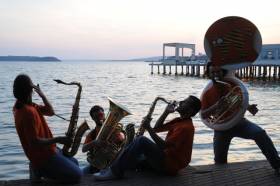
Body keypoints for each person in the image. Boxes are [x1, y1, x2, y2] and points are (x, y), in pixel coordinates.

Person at [93, 95, 201, 180]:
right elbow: (157, 128)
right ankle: (112, 169)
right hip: (166, 158)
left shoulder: (185, 127)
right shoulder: (180, 121)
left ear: (190, 111)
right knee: (133, 154)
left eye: (185, 102)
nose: (181, 102)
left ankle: (115, 172)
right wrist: (166, 112)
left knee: (141, 140)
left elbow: (163, 146)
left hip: (169, 165)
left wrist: (148, 128)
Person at [200, 63, 280, 175]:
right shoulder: (207, 93)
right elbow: (203, 114)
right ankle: (221, 179)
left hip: (239, 122)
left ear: (222, 72)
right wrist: (217, 105)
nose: (216, 74)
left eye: (218, 72)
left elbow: (238, 101)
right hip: (221, 127)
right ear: (209, 74)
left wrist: (249, 107)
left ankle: (277, 165)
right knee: (219, 161)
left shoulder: (231, 85)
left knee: (260, 133)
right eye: (212, 72)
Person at [13, 74, 83, 183]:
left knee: (75, 163)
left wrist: (42, 95)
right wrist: (58, 139)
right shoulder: (27, 112)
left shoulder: (26, 105)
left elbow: (51, 112)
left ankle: (39, 169)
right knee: (78, 176)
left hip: (50, 150)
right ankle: (38, 169)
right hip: (43, 157)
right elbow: (34, 142)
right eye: (32, 86)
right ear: (30, 89)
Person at [82, 105, 134, 174]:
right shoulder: (92, 134)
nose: (99, 118)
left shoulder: (115, 128)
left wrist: (116, 138)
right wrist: (94, 142)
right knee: (81, 173)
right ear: (93, 118)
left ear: (104, 115)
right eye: (96, 117)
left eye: (101, 115)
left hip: (116, 161)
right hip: (98, 164)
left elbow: (123, 139)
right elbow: (83, 149)